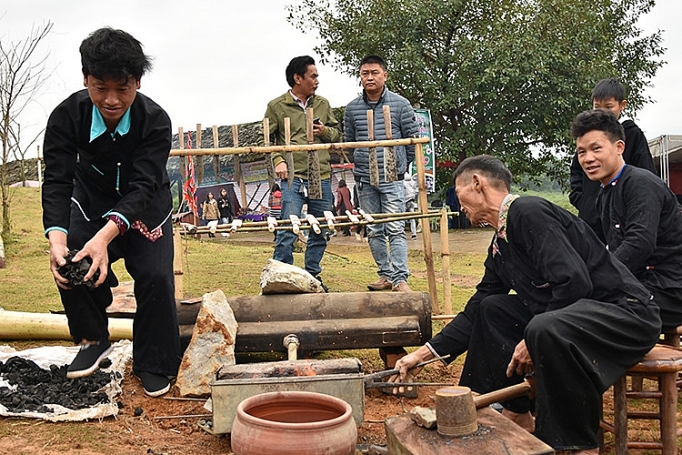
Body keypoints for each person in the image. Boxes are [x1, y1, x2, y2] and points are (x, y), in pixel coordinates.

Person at [389, 155, 660, 453]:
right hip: (574, 319)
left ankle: (579, 445)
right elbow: (476, 308)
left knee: (543, 327)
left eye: (459, 191)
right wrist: (423, 355)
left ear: (477, 183)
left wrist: (530, 336)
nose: (459, 203)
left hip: (626, 314)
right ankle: (515, 411)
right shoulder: (500, 243)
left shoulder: (528, 211)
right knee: (492, 308)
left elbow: (574, 282)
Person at [42, 27, 181, 397]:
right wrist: (55, 239)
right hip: (91, 199)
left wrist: (106, 237)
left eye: (122, 88)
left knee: (155, 276)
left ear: (138, 80)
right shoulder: (66, 117)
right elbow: (56, 180)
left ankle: (153, 361)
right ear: (85, 78)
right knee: (71, 257)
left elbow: (143, 184)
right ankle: (92, 339)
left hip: (145, 205)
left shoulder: (155, 120)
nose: (112, 99)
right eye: (100, 87)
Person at [572, 109, 682, 330]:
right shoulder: (604, 193)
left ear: (619, 147)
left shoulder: (640, 183)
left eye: (596, 148)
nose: (588, 158)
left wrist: (595, 276)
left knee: (580, 315)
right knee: (566, 302)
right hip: (639, 283)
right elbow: (600, 247)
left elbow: (639, 243)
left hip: (669, 288)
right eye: (581, 152)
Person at [263, 55, 342, 285]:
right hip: (292, 177)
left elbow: (337, 134)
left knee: (321, 228)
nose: (317, 80)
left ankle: (312, 277)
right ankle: (281, 277)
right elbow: (265, 139)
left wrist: (324, 131)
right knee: (289, 227)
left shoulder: (323, 104)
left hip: (321, 175)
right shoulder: (276, 106)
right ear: (298, 78)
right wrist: (278, 159)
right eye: (313, 76)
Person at [344, 55, 418, 292]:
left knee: (395, 227)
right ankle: (385, 275)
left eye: (374, 72)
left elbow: (412, 141)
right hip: (365, 178)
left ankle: (400, 279)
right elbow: (349, 141)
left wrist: (401, 166)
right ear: (360, 77)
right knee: (374, 228)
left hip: (392, 176)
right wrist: (359, 165)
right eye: (365, 73)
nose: (369, 77)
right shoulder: (352, 108)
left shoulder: (400, 104)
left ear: (385, 75)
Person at [569, 77, 656, 242]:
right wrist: (584, 202)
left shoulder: (632, 134)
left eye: (608, 107)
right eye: (597, 107)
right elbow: (576, 173)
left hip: (623, 218)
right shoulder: (587, 136)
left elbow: (647, 174)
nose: (602, 112)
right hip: (591, 220)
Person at [403, 174, 418, 239]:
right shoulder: (413, 182)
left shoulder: (403, 183)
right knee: (412, 219)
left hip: (405, 201)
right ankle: (414, 233)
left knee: (401, 218)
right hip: (412, 201)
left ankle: (400, 232)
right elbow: (416, 191)